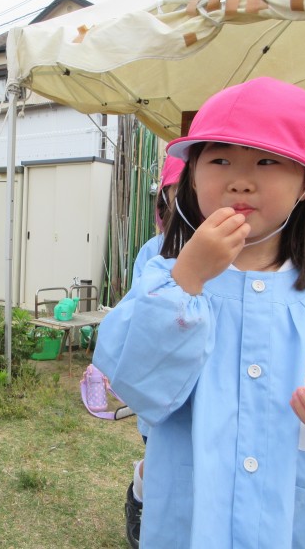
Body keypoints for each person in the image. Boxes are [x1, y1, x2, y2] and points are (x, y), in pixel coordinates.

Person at [93, 77, 305, 548]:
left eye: (267, 161)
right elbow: (133, 384)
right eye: (219, 159)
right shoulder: (165, 279)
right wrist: (187, 280)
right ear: (192, 175)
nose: (240, 180)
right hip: (190, 524)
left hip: (304, 528)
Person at [124, 151, 183, 549]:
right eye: (180, 191)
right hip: (163, 385)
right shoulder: (153, 252)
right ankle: (140, 494)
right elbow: (136, 324)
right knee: (163, 459)